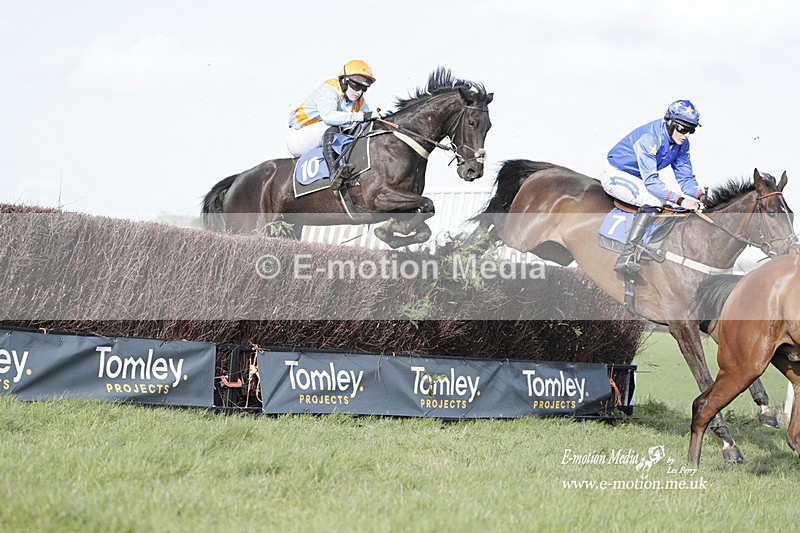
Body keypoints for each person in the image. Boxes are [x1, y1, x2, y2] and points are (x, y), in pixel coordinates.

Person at [602, 99, 706, 275]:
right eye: (682, 128)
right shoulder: (650, 138)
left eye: (691, 130)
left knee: (671, 206)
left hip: (637, 178)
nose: (686, 134)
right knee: (654, 201)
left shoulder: (682, 144)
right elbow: (651, 181)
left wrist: (700, 195)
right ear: (670, 123)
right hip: (616, 173)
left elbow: (685, 179)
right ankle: (627, 256)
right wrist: (681, 200)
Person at [287, 59, 383, 191]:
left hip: (322, 138)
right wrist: (361, 116)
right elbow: (329, 116)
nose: (359, 92)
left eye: (363, 89)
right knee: (332, 126)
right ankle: (334, 172)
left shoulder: (359, 101)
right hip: (299, 137)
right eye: (355, 86)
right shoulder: (330, 89)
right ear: (344, 81)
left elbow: (367, 120)